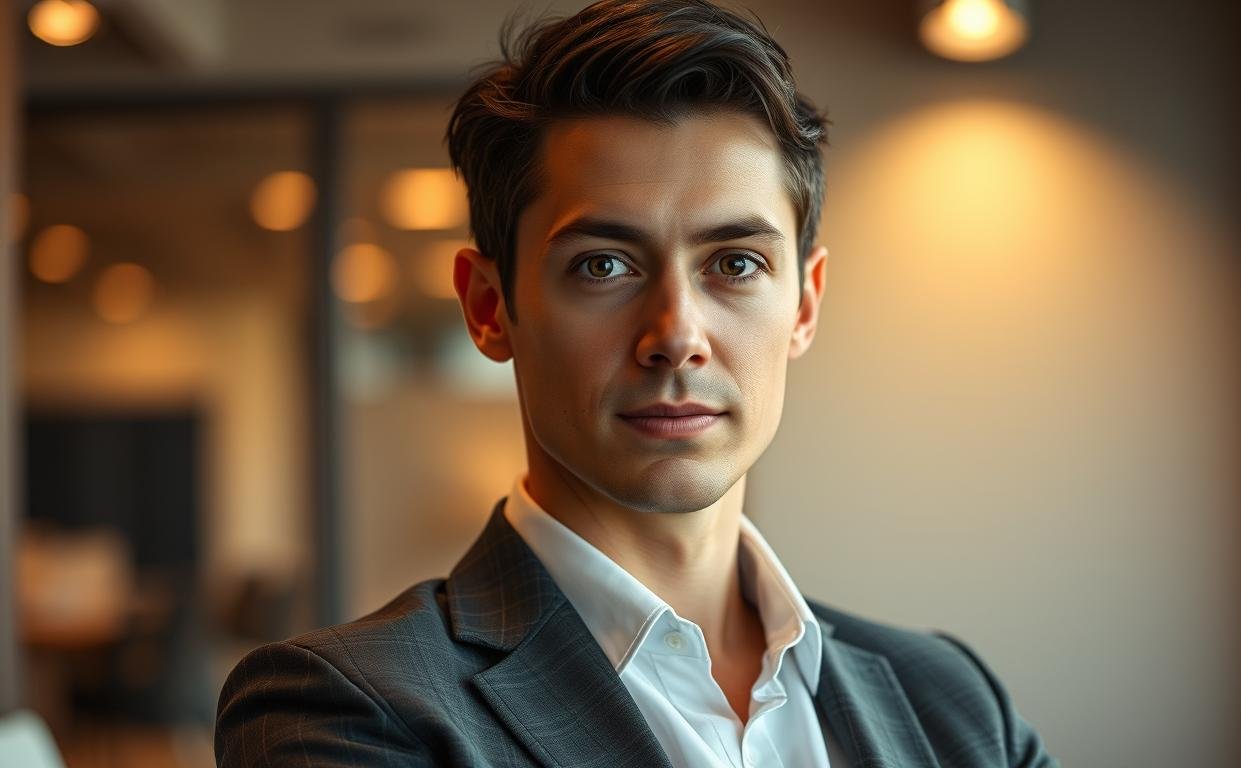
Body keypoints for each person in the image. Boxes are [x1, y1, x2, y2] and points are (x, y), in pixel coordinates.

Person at [214, 1, 1057, 766]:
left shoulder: (952, 701)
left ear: (803, 304)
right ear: (488, 307)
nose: (677, 337)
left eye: (735, 263)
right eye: (605, 264)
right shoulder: (344, 711)